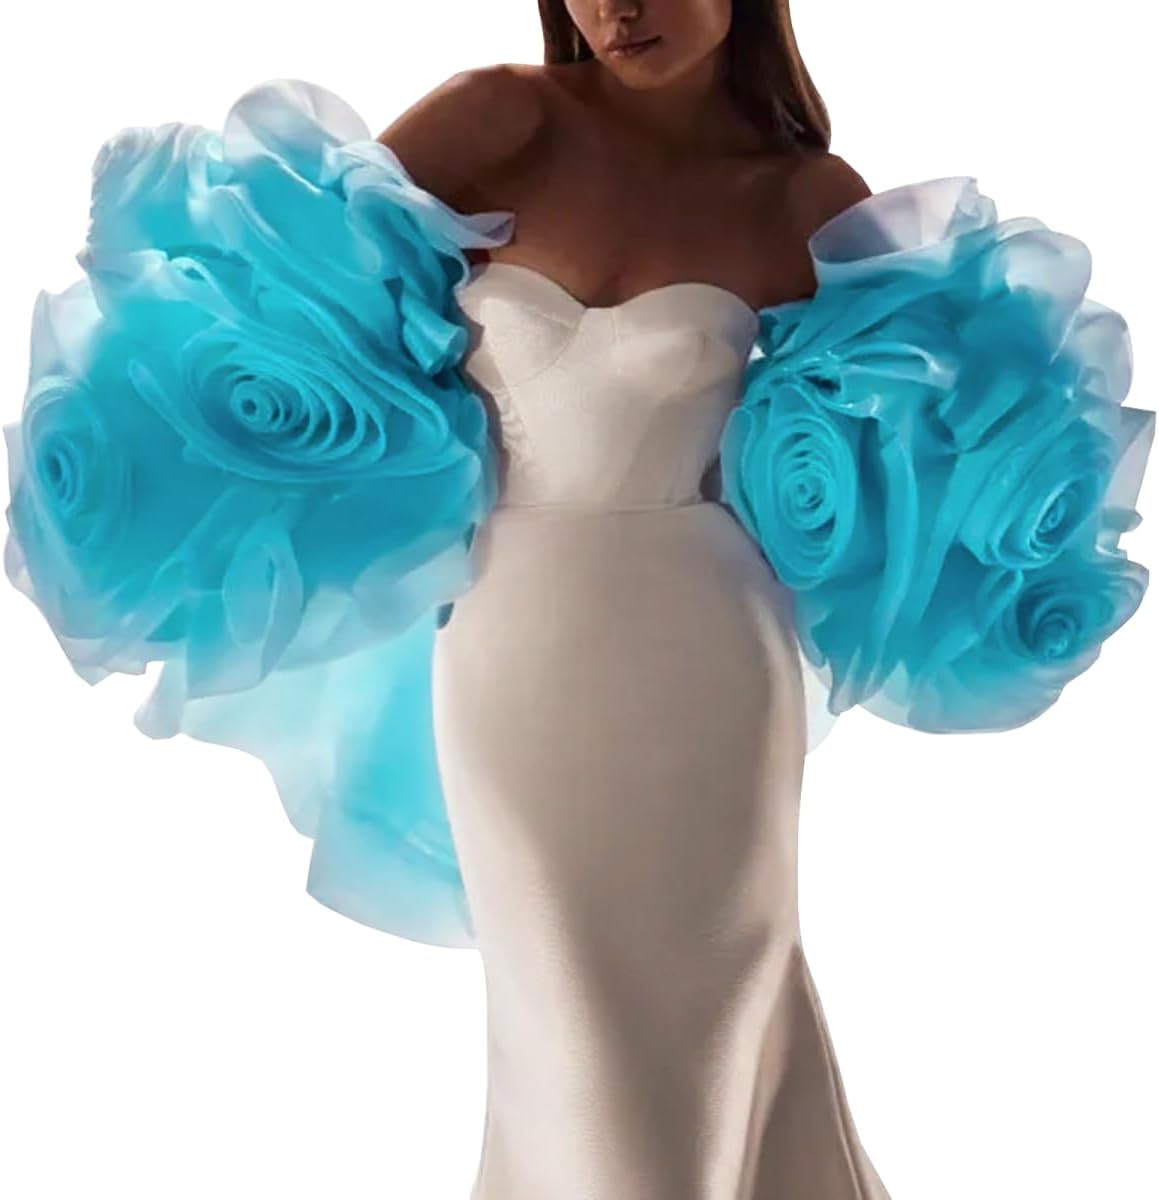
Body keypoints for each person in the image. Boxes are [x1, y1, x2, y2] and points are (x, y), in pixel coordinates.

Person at [3, 1, 1150, 1198]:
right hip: (512, 654)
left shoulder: (800, 197)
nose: (616, 8)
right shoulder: (500, 120)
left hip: (707, 662)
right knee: (568, 1026)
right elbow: (305, 305)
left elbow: (925, 420)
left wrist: (1008, 490)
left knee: (709, 1008)